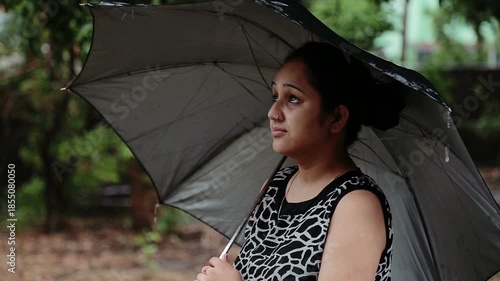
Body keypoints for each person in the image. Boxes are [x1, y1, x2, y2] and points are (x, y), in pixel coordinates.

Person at [195, 41, 404, 281]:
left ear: (336, 117)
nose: (273, 113)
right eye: (275, 96)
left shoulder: (355, 205)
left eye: (293, 99)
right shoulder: (274, 187)